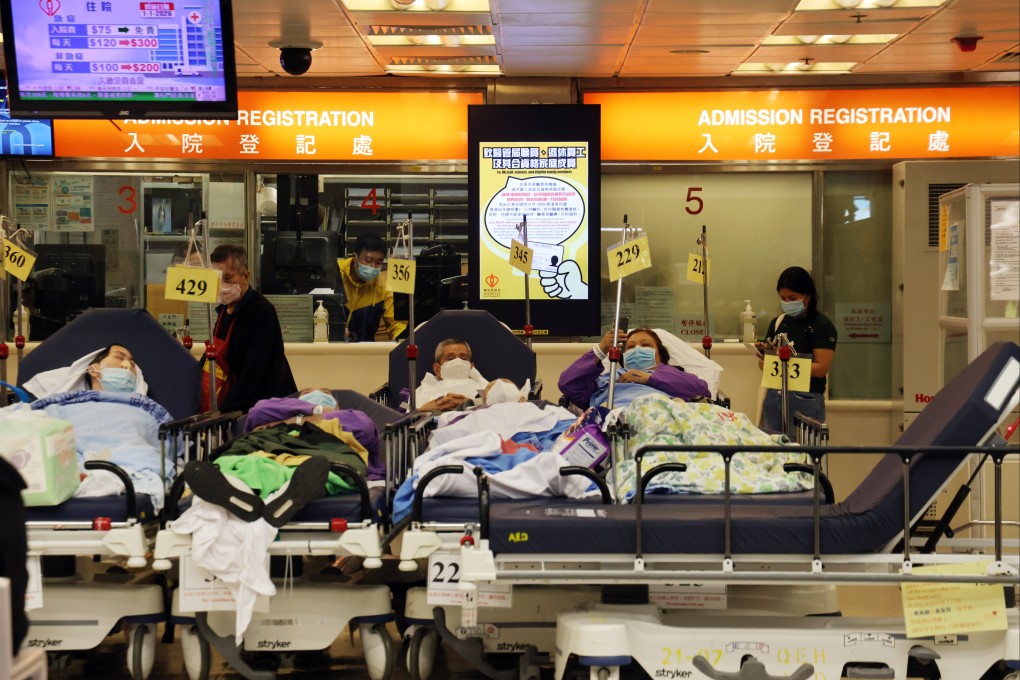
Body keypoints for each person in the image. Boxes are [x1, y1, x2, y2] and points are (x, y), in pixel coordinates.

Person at [203, 244, 296, 413]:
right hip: (237, 400)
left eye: (227, 278)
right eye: (216, 279)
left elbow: (253, 370)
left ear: (246, 276)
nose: (222, 285)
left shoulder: (261, 312)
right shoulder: (224, 310)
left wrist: (224, 411)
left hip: (266, 406)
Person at [758, 266, 837, 435]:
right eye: (783, 299)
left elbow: (821, 368)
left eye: (792, 298)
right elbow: (764, 365)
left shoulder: (822, 326)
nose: (787, 303)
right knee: (774, 453)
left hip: (806, 399)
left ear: (807, 296)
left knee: (803, 456)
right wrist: (764, 358)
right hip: (775, 397)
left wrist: (786, 364)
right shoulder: (778, 323)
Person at [558, 327, 711, 409]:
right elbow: (568, 384)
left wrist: (650, 378)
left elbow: (701, 390)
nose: (637, 350)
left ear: (660, 354)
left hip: (661, 415)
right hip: (613, 422)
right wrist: (602, 348)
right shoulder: (607, 378)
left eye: (645, 345)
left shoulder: (674, 375)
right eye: (630, 347)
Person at [337, 234, 407, 342]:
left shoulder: (383, 286)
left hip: (366, 349)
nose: (373, 266)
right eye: (368, 260)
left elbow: (396, 323)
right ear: (355, 257)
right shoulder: (334, 273)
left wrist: (403, 340)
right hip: (327, 346)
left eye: (378, 262)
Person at [23, 343, 148, 398]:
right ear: (93, 370)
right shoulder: (65, 404)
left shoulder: (147, 411)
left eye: (132, 364)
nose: (127, 365)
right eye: (118, 357)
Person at [416, 338, 489, 412]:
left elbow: (496, 410)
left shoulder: (484, 388)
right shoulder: (423, 391)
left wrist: (472, 403)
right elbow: (409, 418)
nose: (458, 362)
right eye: (450, 359)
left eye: (463, 358)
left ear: (471, 367)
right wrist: (423, 410)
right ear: (437, 369)